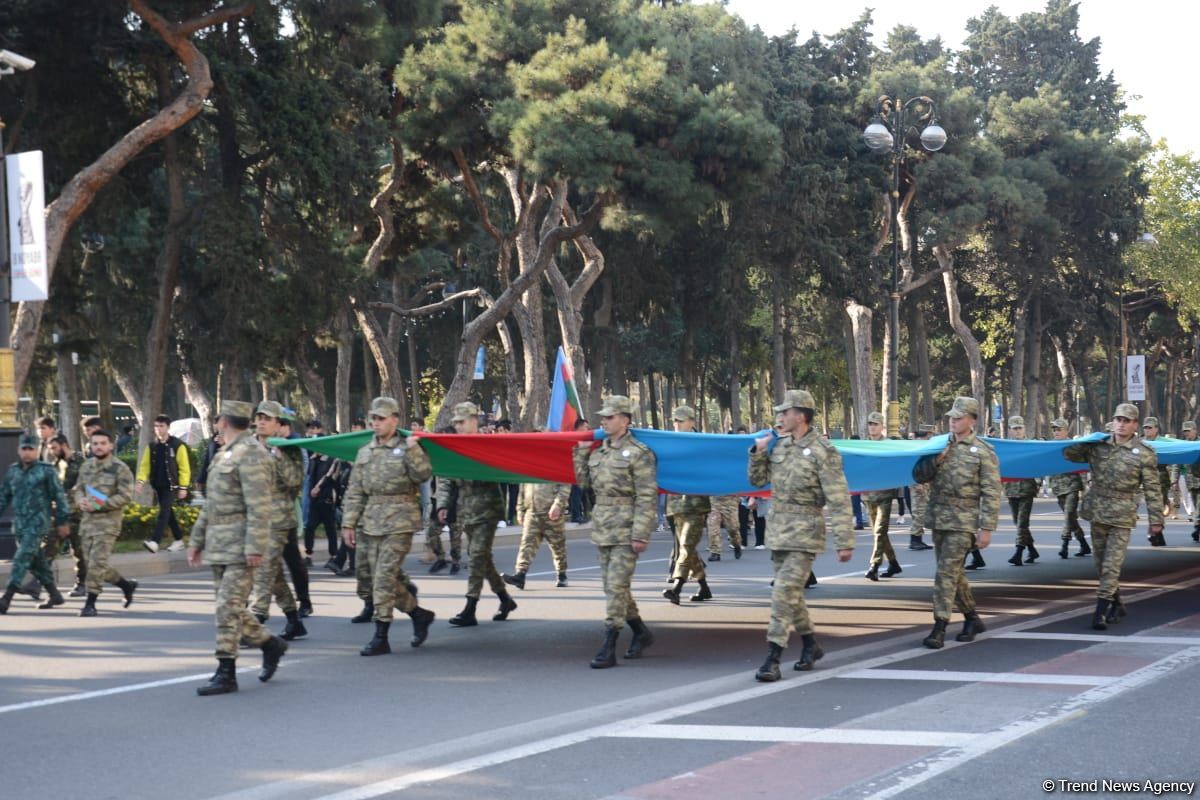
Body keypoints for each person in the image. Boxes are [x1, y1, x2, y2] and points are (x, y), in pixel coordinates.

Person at [748, 389, 853, 681]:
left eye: (785, 412)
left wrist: (845, 540)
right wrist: (758, 453)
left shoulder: (824, 451)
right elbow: (757, 481)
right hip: (779, 531)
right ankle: (810, 644)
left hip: (806, 533)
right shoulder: (779, 447)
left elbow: (839, 497)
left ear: (801, 415)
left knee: (782, 592)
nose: (780, 417)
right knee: (791, 594)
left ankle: (773, 656)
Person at [187, 400, 289, 696]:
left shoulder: (252, 454)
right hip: (221, 544)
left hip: (242, 545)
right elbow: (211, 505)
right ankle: (271, 645)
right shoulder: (224, 454)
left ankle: (226, 671)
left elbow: (260, 506)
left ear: (223, 421)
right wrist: (197, 540)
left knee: (226, 607)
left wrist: (255, 547)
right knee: (231, 607)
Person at [341, 397, 437, 653]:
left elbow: (423, 475)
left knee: (383, 577)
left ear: (395, 419)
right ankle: (419, 614)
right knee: (376, 579)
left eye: (381, 418)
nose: (376, 423)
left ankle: (381, 635)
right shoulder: (364, 452)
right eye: (373, 418)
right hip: (371, 521)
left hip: (400, 520)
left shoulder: (408, 447)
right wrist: (348, 523)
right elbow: (355, 491)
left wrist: (414, 449)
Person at [573, 396, 658, 668]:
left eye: (610, 417)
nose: (604, 421)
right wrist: (581, 453)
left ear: (625, 419)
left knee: (616, 586)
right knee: (614, 586)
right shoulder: (599, 452)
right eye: (604, 417)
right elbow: (583, 483)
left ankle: (609, 644)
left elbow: (647, 496)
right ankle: (641, 632)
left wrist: (641, 533)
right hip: (603, 526)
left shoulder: (639, 452)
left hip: (626, 527)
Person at [1063, 403, 1164, 629]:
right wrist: (1086, 440)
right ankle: (1117, 603)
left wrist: (1156, 519)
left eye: (1127, 421)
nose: (1121, 424)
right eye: (1118, 420)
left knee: (1111, 566)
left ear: (1135, 424)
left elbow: (1152, 488)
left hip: (1122, 515)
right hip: (1098, 511)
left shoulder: (1144, 453)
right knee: (1100, 565)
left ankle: (1099, 612)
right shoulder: (1098, 446)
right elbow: (1068, 454)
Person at [912, 397, 1001, 649]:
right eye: (951, 417)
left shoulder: (983, 451)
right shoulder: (938, 446)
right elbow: (918, 475)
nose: (953, 421)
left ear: (972, 421)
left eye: (959, 417)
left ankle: (939, 626)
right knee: (953, 573)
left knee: (944, 574)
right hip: (939, 517)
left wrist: (986, 528)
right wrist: (935, 460)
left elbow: (992, 492)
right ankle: (972, 618)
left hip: (963, 522)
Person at [437, 402, 518, 626]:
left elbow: (500, 471)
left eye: (462, 422)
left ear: (474, 421)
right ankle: (505, 598)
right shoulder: (454, 447)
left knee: (476, 557)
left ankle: (470, 607)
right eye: (456, 423)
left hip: (487, 510)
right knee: (484, 559)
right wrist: (442, 505)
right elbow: (445, 478)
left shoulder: (487, 444)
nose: (459, 427)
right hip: (466, 511)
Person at [250, 401, 311, 640]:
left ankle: (256, 621)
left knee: (263, 569)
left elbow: (295, 482)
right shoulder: (249, 447)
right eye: (260, 417)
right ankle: (294, 620)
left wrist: (279, 455)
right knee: (273, 575)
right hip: (255, 519)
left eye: (268, 419)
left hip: (279, 519)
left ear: (278, 424)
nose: (262, 422)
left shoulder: (289, 449)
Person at [0, 434, 71, 614]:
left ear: (38, 450)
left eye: (31, 449)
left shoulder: (46, 471)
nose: (27, 452)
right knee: (36, 561)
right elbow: (3, 497)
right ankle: (54, 594)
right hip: (20, 525)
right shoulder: (13, 471)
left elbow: (60, 497)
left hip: (38, 522)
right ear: (19, 450)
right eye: (24, 449)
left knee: (22, 557)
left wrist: (63, 521)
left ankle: (6, 597)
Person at [74, 429, 137, 616]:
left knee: (96, 564)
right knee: (94, 564)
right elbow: (78, 489)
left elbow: (125, 496)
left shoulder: (120, 468)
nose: (99, 447)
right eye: (95, 443)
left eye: (103, 443)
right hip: (87, 524)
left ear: (110, 445)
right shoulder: (86, 467)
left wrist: (99, 505)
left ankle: (90, 604)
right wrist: (80, 501)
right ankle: (126, 585)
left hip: (108, 524)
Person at [663, 405, 713, 604]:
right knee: (689, 549)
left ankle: (677, 587)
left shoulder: (702, 445)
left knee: (685, 546)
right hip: (675, 505)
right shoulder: (669, 443)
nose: (676, 424)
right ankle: (704, 588)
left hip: (695, 505)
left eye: (680, 420)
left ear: (692, 422)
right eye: (674, 420)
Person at [136, 414, 192, 553]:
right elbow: (145, 466)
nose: (158, 429)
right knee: (168, 513)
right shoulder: (152, 446)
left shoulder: (177, 445)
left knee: (163, 513)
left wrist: (183, 487)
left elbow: (184, 467)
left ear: (168, 427)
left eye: (161, 426)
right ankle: (179, 540)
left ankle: (155, 541)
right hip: (158, 484)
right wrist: (140, 481)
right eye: (156, 426)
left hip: (172, 485)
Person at [502, 479, 570, 589]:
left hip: (551, 514)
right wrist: (520, 510)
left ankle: (562, 574)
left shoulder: (555, 464)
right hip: (532, 513)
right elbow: (522, 488)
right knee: (526, 544)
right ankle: (520, 575)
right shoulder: (531, 467)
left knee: (558, 546)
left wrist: (558, 505)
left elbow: (565, 485)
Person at [862, 411, 902, 581]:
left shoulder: (888, 445)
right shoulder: (863, 445)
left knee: (879, 531)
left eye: (875, 424)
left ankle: (874, 565)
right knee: (879, 533)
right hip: (868, 496)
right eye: (870, 424)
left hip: (885, 495)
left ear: (882, 427)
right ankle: (893, 563)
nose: (872, 427)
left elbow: (896, 466)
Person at [49, 434, 88, 596]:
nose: (52, 452)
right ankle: (38, 584)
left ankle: (82, 584)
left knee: (79, 551)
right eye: (50, 449)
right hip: (60, 514)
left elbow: (87, 486)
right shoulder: (56, 464)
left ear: (64, 445)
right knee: (49, 547)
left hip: (77, 514)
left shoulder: (80, 461)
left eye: (54, 448)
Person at [1048, 418, 1090, 559]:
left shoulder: (1073, 446)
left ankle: (1064, 545)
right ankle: (1084, 544)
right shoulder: (1048, 446)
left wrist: (1085, 488)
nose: (1056, 432)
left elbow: (1082, 465)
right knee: (1071, 518)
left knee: (1068, 515)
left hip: (1072, 485)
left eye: (1059, 429)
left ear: (1066, 431)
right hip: (1058, 487)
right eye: (1054, 430)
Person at [1004, 416, 1041, 565]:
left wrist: (1038, 482)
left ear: (1024, 428)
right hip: (1011, 489)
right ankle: (1032, 549)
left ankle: (1018, 553)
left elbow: (1038, 464)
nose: (1017, 431)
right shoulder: (1006, 447)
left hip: (1026, 489)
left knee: (1022, 523)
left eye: (1020, 428)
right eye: (1015, 428)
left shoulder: (1031, 445)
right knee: (1017, 522)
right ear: (1010, 430)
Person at [1139, 417, 1171, 546]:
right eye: (1145, 427)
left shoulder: (1164, 442)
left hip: (1161, 478)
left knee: (1158, 507)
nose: (1147, 430)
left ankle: (1156, 533)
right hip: (1146, 478)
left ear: (1156, 429)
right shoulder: (1140, 442)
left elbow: (1172, 456)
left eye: (1150, 427)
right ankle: (1156, 534)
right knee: (1152, 508)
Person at [908, 424, 935, 550]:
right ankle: (915, 540)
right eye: (931, 434)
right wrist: (916, 483)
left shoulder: (920, 445)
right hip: (918, 483)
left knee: (921, 512)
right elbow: (911, 466)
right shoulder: (918, 446)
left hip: (922, 483)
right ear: (928, 434)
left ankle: (918, 539)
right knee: (919, 512)